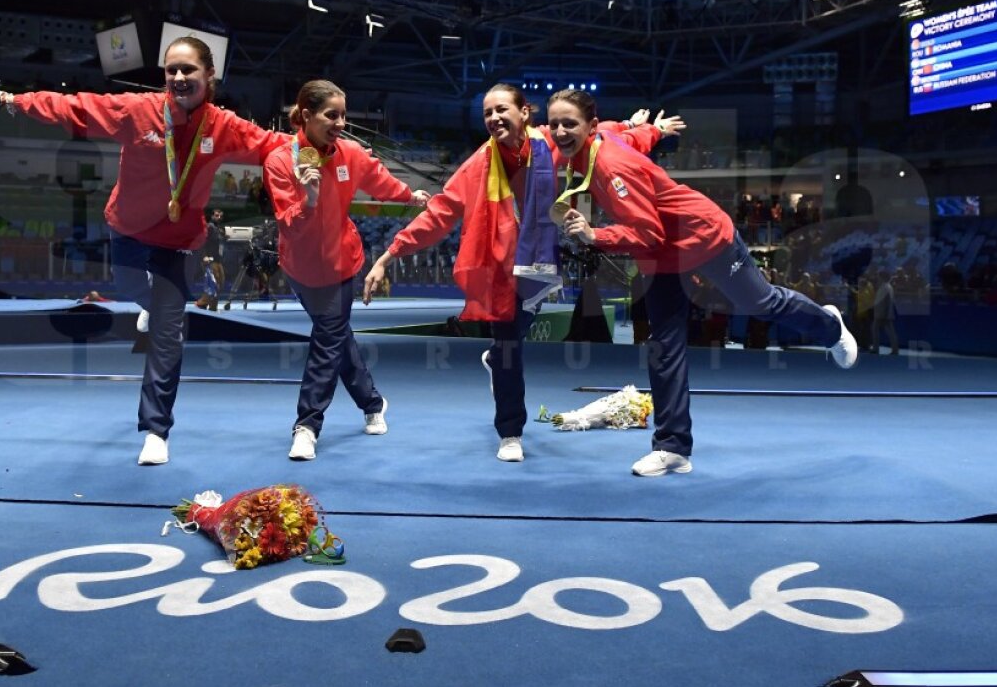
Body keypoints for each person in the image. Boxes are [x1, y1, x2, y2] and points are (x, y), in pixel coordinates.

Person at [0, 36, 292, 466]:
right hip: (128, 227)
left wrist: (324, 151)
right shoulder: (139, 111)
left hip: (178, 239)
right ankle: (149, 303)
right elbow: (75, 106)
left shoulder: (223, 126)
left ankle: (155, 430)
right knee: (128, 284)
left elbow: (271, 145)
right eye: (172, 70)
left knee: (167, 333)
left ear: (210, 77)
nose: (179, 77)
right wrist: (10, 99)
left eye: (189, 69)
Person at [362, 83, 682, 462]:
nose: (494, 118)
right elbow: (441, 211)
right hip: (499, 267)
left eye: (502, 110)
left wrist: (652, 130)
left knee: (516, 332)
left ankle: (496, 361)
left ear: (525, 113)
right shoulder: (479, 164)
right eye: (487, 113)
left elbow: (610, 138)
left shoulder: (551, 143)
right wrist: (390, 253)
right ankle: (510, 431)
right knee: (510, 343)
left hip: (540, 261)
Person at [546, 88, 857, 477]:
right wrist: (653, 129)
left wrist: (597, 236)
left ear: (589, 127)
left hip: (703, 237)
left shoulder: (611, 167)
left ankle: (829, 326)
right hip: (662, 258)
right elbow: (630, 134)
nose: (559, 131)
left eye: (568, 124)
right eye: (554, 123)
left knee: (762, 304)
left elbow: (649, 232)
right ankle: (673, 447)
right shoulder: (602, 137)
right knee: (664, 345)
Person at [263, 79, 431, 461]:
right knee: (336, 336)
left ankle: (307, 425)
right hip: (300, 269)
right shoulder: (279, 162)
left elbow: (378, 180)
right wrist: (307, 199)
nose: (340, 123)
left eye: (343, 114)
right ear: (306, 116)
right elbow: (288, 223)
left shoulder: (350, 152)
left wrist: (410, 195)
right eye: (330, 115)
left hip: (342, 264)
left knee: (327, 338)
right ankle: (372, 402)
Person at [196, 207, 226, 310]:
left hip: (218, 260)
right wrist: (204, 256)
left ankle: (208, 304)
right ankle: (206, 304)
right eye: (216, 215)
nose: (219, 217)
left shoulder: (219, 229)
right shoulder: (209, 227)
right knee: (214, 283)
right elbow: (202, 242)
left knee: (220, 282)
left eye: (220, 216)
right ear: (212, 216)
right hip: (210, 259)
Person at [871, 268, 899, 355]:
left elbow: (888, 301)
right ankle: (894, 349)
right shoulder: (885, 286)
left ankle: (877, 348)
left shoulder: (886, 287)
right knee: (889, 331)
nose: (877, 278)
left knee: (879, 330)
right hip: (882, 313)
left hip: (882, 313)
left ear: (882, 277)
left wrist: (887, 313)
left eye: (879, 276)